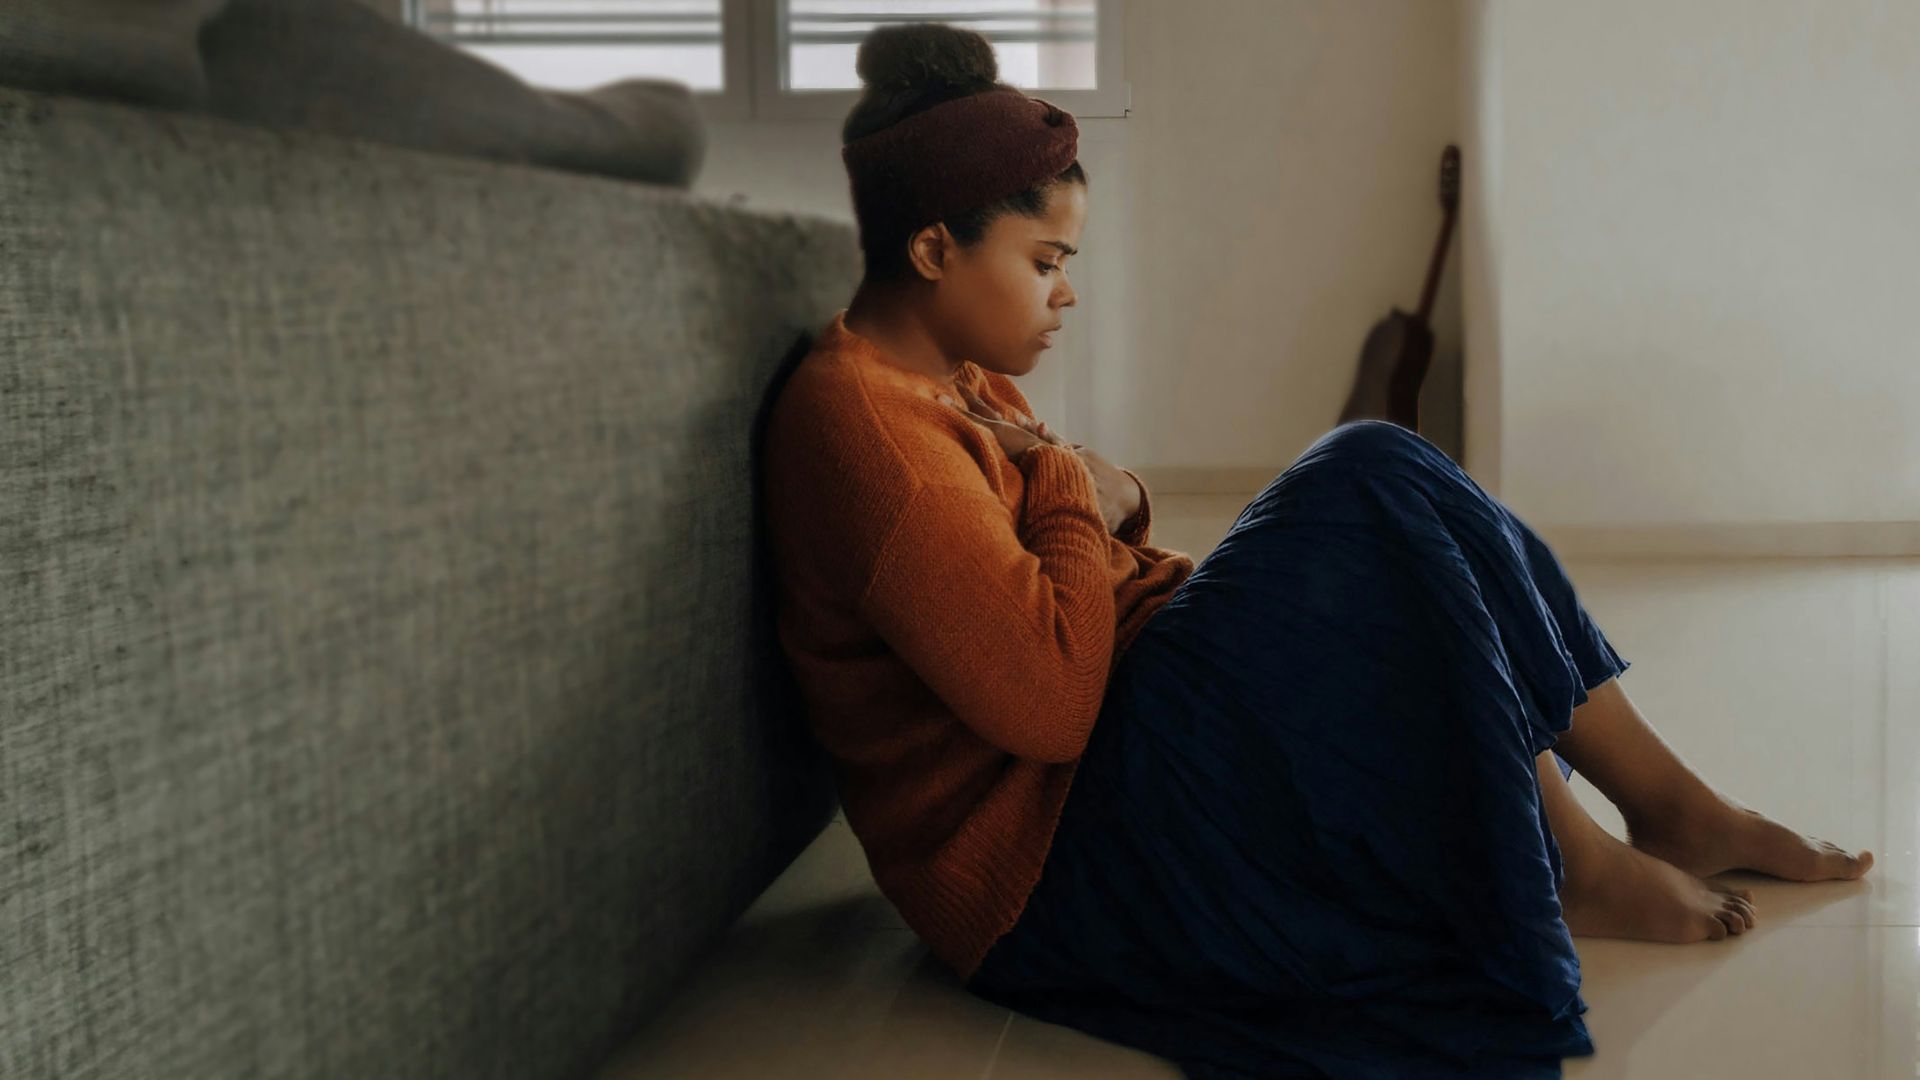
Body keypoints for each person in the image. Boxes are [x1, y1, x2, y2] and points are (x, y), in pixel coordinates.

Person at [758, 22, 1874, 1079]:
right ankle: (1572, 862)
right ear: (932, 247)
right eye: (1045, 259)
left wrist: (1115, 494)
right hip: (1050, 860)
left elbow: (1084, 534)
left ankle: (1670, 806)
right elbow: (1048, 701)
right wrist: (1065, 479)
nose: (1067, 290)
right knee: (1368, 480)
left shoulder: (948, 369)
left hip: (1112, 740)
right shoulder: (869, 435)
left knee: (1384, 475)